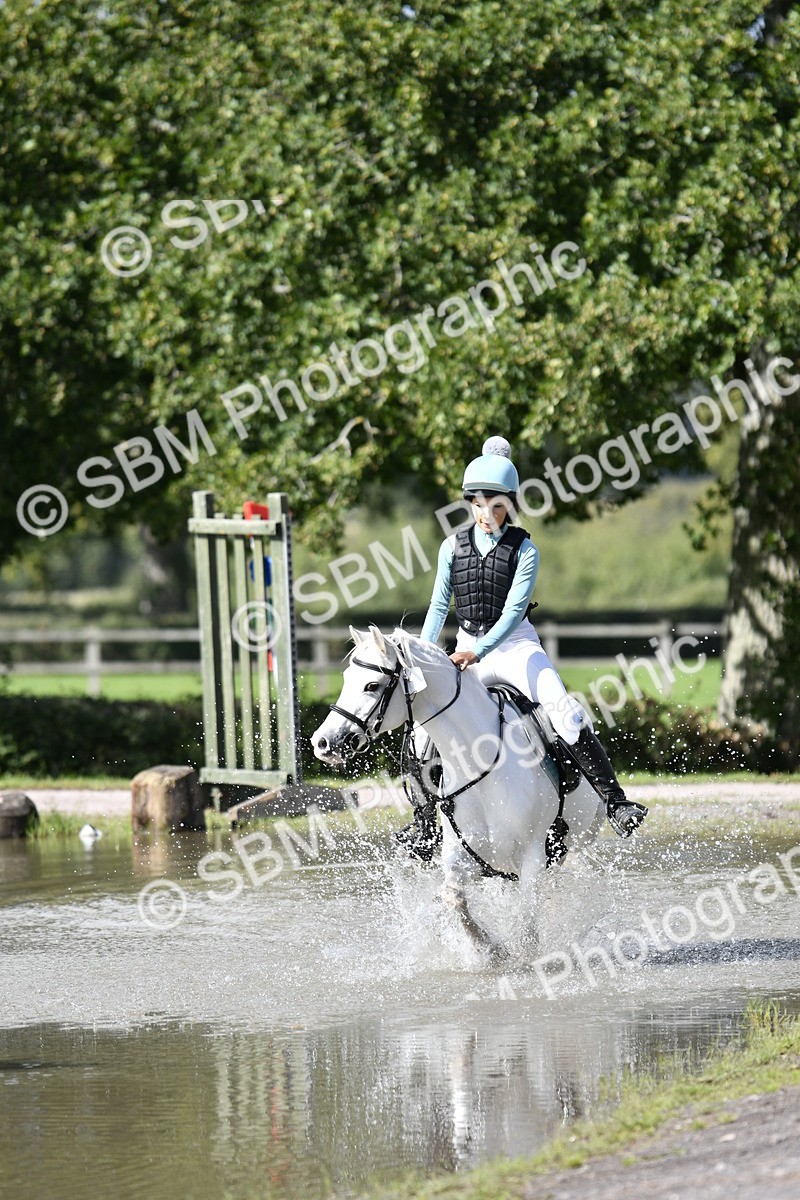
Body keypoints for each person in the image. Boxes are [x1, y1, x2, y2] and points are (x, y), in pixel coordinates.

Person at [396, 435, 647, 860]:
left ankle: (615, 802)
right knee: (422, 734)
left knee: (563, 711)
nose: (487, 514)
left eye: (496, 506)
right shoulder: (450, 548)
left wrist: (478, 651)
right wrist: (423, 657)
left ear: (511, 505)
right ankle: (424, 824)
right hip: (466, 646)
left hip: (514, 648)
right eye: (478, 504)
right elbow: (440, 605)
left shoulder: (525, 550)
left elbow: (513, 612)